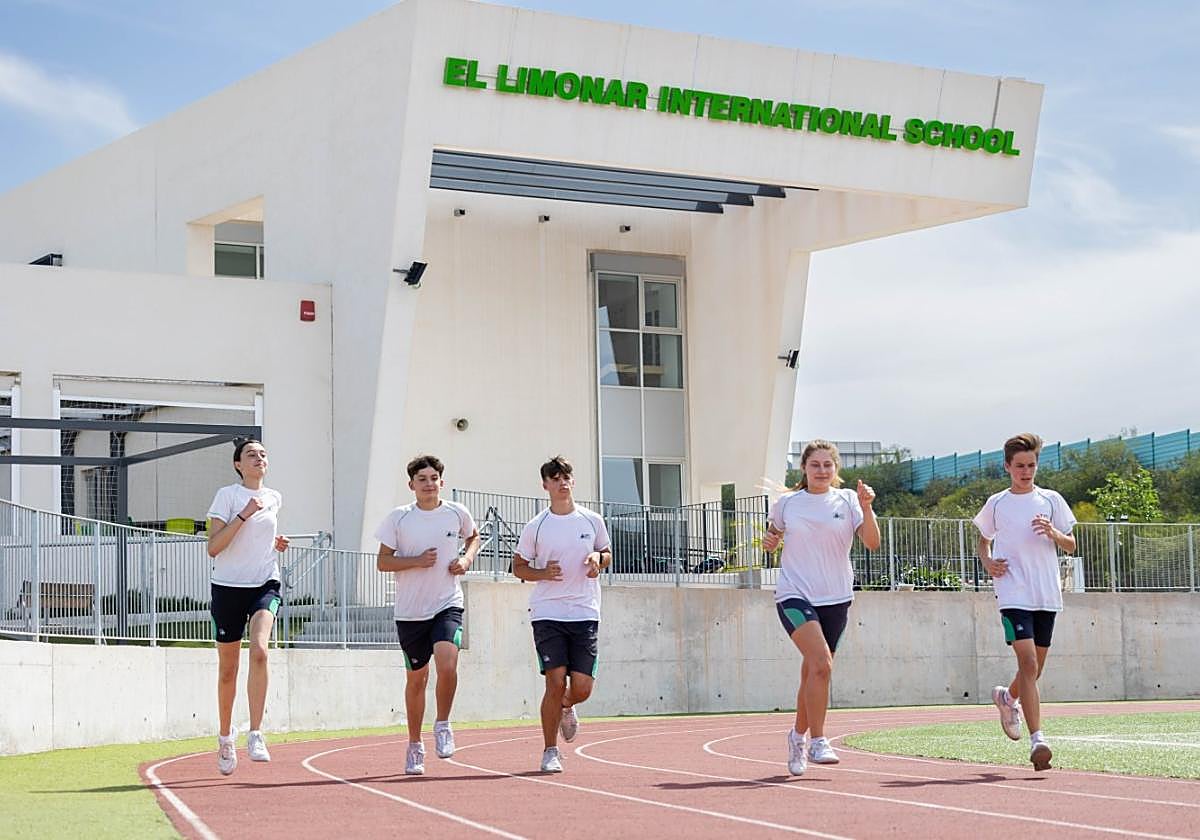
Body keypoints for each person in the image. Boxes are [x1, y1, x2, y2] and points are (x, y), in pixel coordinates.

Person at [762, 440, 879, 776]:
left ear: (836, 469)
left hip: (837, 598)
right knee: (822, 665)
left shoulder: (849, 502)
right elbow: (773, 538)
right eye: (815, 465)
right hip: (795, 594)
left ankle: (797, 737)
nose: (822, 471)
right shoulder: (787, 504)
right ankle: (818, 740)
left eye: (828, 465)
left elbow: (872, 543)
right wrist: (770, 541)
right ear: (804, 468)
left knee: (814, 672)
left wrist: (868, 507)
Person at [974, 432, 1076, 771]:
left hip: (1046, 594)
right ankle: (1038, 741)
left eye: (1031, 465)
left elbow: (1072, 544)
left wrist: (1055, 533)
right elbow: (982, 541)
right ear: (1007, 467)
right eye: (1019, 466)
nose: (1026, 471)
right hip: (1012, 592)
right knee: (1029, 663)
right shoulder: (997, 503)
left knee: (1034, 668)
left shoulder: (1051, 500)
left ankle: (1007, 697)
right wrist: (988, 563)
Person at [375, 454, 480, 775]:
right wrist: (416, 561)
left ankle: (444, 724)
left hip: (447, 603)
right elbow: (383, 562)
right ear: (412, 485)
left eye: (434, 478)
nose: (429, 484)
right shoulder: (399, 519)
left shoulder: (456, 513)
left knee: (447, 663)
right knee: (417, 679)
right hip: (410, 612)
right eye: (422, 479)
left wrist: (466, 560)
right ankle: (414, 744)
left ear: (442, 482)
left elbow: (473, 537)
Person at [512, 456, 612, 773]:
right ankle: (550, 750)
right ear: (545, 485)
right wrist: (541, 573)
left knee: (581, 688)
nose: (562, 482)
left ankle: (566, 706)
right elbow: (518, 567)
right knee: (554, 682)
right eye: (555, 478)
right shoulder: (536, 526)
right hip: (548, 613)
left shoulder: (592, 520)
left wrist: (598, 558)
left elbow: (607, 553)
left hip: (584, 612)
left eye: (566, 476)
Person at [206, 438, 290, 776]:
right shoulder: (227, 496)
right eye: (251, 455)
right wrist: (244, 514)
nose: (259, 458)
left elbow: (263, 538)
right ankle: (226, 736)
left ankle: (256, 733)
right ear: (238, 464)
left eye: (263, 454)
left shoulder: (275, 497)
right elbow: (214, 547)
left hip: (265, 583)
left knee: (259, 651)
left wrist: (277, 543)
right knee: (228, 669)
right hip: (228, 587)